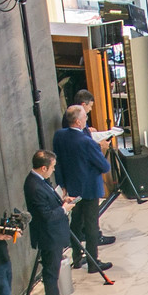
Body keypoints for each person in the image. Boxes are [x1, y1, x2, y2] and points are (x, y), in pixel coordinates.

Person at [54, 105, 113, 271]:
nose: (87, 121)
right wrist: (101, 150)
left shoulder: (59, 136)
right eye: (85, 119)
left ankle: (77, 258)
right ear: (79, 122)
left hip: (72, 188)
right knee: (91, 225)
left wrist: (62, 184)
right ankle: (94, 262)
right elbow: (104, 166)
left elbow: (58, 163)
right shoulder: (87, 142)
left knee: (76, 223)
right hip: (90, 189)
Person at [22, 149, 78, 295]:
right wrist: (63, 209)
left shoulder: (41, 180)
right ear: (43, 168)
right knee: (51, 271)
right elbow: (46, 215)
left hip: (54, 233)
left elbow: (49, 200)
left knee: (53, 269)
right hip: (48, 235)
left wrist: (62, 201)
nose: (54, 169)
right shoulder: (34, 186)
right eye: (52, 167)